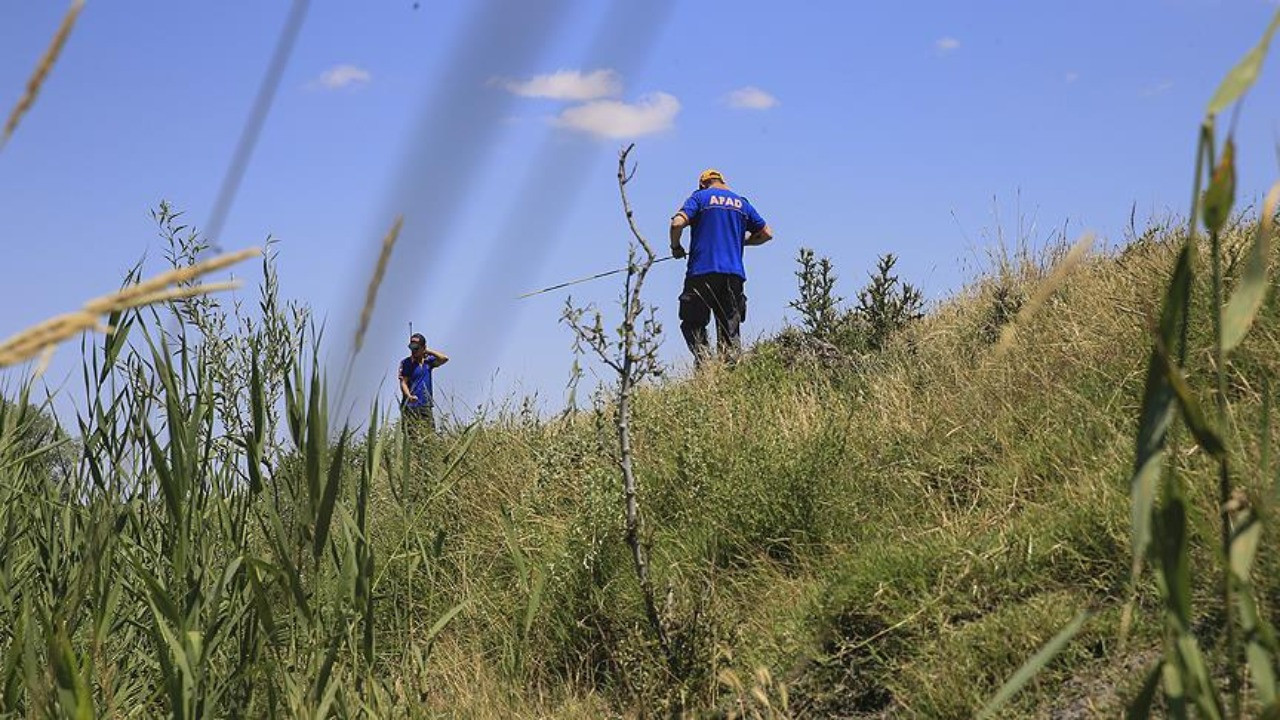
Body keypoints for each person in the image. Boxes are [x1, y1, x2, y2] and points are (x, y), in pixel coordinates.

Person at [669, 168, 773, 365]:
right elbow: (767, 233)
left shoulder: (699, 198)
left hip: (701, 271)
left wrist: (676, 247)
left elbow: (677, 224)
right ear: (722, 182)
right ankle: (729, 373)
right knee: (729, 328)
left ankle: (705, 362)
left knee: (693, 322)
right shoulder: (742, 203)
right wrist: (741, 241)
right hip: (733, 274)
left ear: (702, 184)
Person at [398, 332, 449, 430]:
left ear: (423, 347)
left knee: (429, 435)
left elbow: (444, 358)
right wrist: (409, 396)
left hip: (425, 405)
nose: (413, 351)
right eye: (412, 348)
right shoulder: (406, 363)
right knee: (412, 436)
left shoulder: (428, 362)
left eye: (416, 348)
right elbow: (403, 382)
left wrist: (427, 351)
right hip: (410, 405)